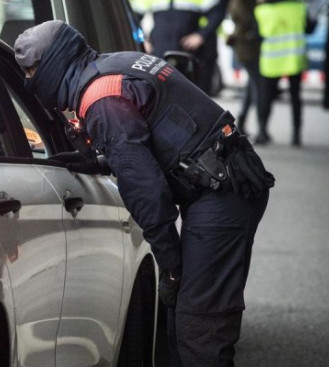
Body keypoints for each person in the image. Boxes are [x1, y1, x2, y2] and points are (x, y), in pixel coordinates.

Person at [14, 20, 273, 366]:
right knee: (182, 324)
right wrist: (103, 160)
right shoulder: (116, 64)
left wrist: (170, 267)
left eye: (32, 71)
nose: (31, 80)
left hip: (224, 194)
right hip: (222, 179)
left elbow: (147, 193)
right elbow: (160, 134)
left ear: (52, 64)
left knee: (200, 328)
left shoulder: (100, 97)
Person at [130, 0, 230, 96]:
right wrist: (143, 39)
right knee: (161, 95)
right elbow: (132, 16)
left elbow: (218, 11)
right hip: (159, 50)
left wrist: (201, 35)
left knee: (194, 96)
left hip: (190, 52)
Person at [254, 0, 317, 146]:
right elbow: (309, 29)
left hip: (271, 60)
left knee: (266, 97)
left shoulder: (262, 10)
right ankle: (296, 134)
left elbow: (257, 35)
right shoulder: (299, 8)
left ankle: (262, 131)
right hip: (294, 58)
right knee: (295, 97)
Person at [227, 0, 260, 136]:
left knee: (252, 85)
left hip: (248, 48)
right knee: (256, 86)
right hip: (247, 49)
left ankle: (242, 122)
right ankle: (259, 128)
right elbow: (248, 21)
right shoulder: (240, 4)